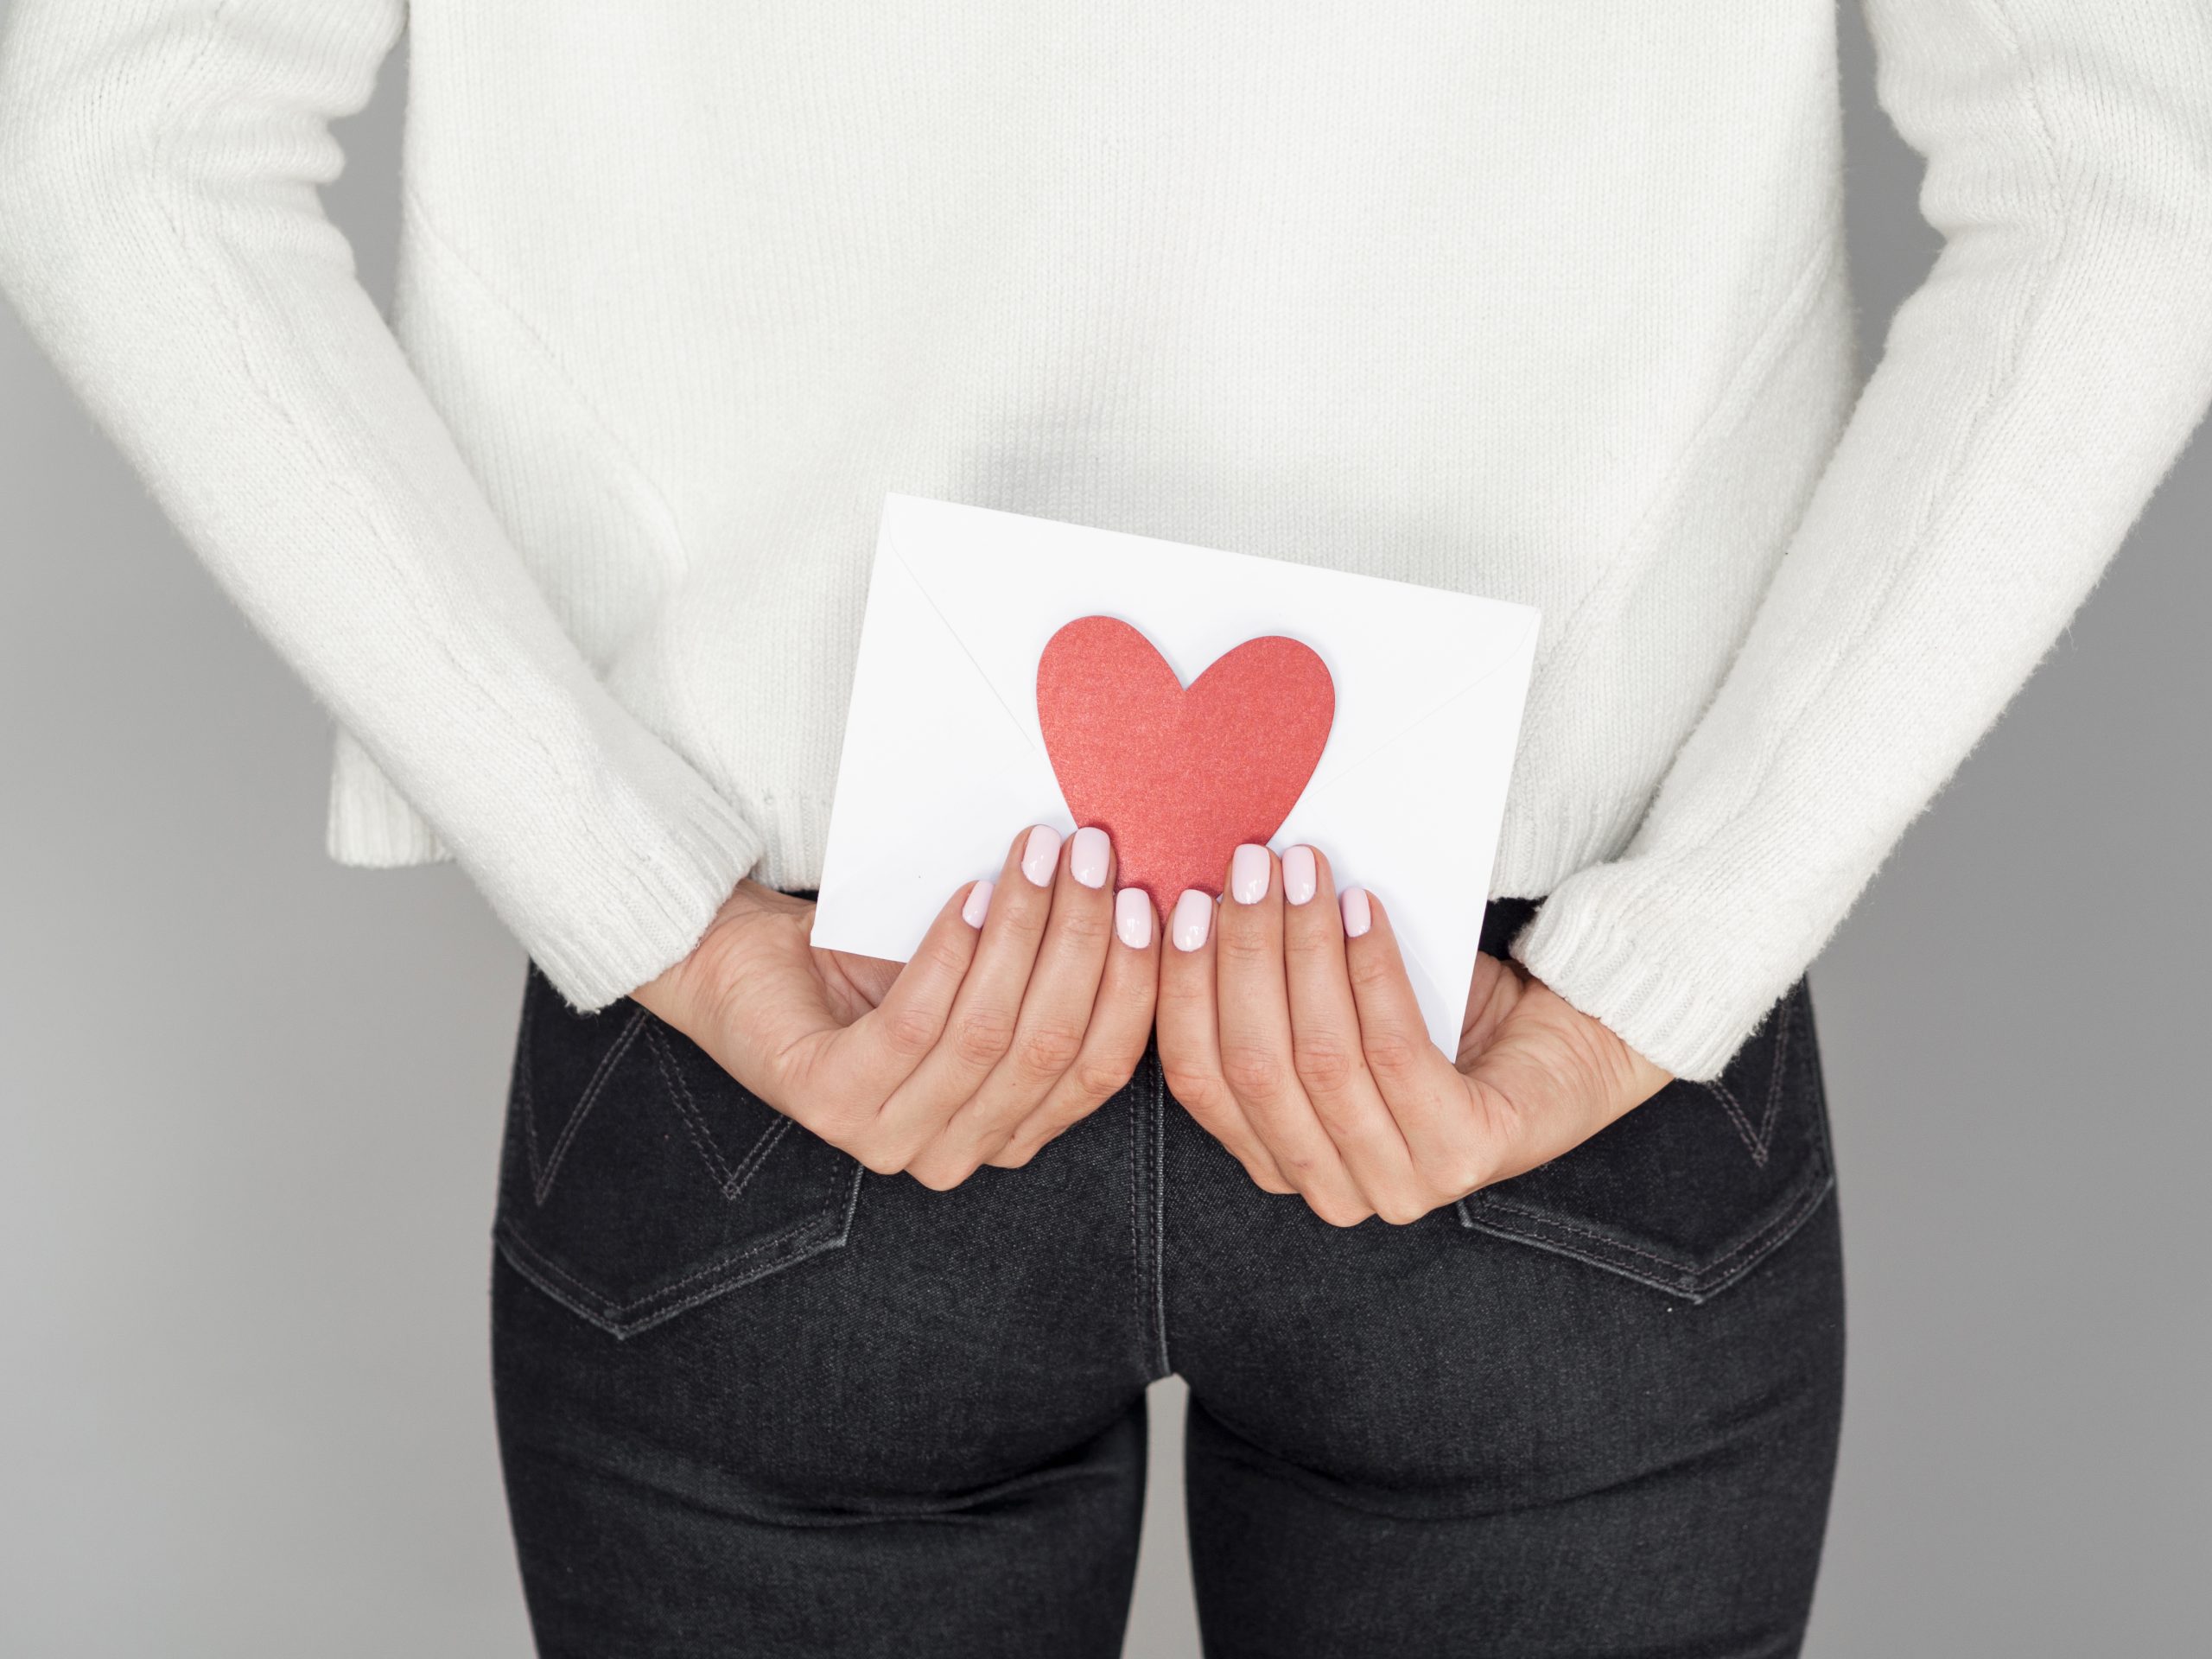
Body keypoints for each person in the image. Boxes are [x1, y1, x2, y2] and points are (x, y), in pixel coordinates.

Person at [1, 3, 2205, 1654]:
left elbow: (116, 136)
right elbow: (2129, 166)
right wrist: (1683, 948)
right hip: (1518, 1040)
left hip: (797, 1023)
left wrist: (627, 887)